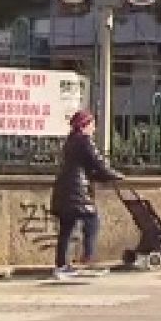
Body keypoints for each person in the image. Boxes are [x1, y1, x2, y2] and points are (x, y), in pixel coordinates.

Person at [50, 110, 123, 279]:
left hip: (64, 189)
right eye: (92, 125)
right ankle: (87, 258)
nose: (94, 128)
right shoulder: (84, 141)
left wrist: (100, 174)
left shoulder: (70, 141)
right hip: (77, 191)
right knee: (92, 221)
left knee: (66, 229)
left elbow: (85, 166)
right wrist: (115, 175)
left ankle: (61, 266)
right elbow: (97, 163)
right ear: (85, 125)